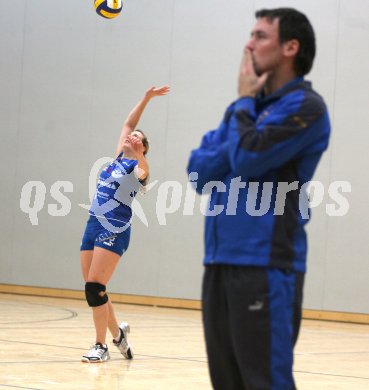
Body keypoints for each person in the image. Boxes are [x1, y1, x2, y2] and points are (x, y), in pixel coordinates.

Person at [187, 8, 330, 390]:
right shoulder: (242, 109)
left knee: (264, 382)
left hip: (265, 267)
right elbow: (199, 172)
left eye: (260, 35)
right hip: (218, 262)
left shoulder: (306, 108)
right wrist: (243, 118)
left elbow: (248, 158)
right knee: (228, 383)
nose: (249, 44)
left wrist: (243, 113)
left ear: (290, 47)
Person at [80, 85, 170, 363]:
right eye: (131, 136)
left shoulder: (139, 168)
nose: (131, 136)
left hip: (115, 228)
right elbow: (129, 122)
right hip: (94, 222)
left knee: (95, 287)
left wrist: (138, 150)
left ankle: (101, 346)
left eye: (137, 138)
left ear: (143, 147)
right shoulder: (120, 156)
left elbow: (144, 170)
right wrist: (147, 98)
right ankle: (119, 335)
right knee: (94, 289)